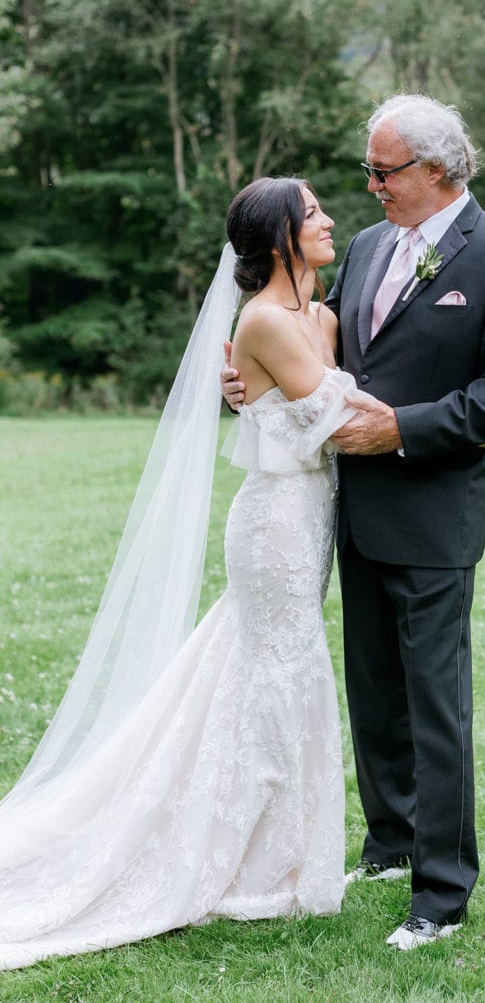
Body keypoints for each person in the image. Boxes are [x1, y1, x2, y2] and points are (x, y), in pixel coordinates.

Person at [0, 176, 364, 970]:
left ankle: (283, 844)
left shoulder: (322, 315)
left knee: (272, 666)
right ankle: (262, 860)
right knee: (275, 670)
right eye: (312, 213)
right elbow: (334, 419)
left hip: (313, 522)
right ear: (279, 237)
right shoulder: (262, 321)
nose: (330, 218)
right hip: (272, 523)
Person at [221, 93, 485, 950]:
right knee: (373, 693)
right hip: (350, 512)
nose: (368, 186)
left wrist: (405, 429)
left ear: (436, 170)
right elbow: (316, 362)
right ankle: (390, 842)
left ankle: (440, 896)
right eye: (366, 170)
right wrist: (249, 391)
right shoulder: (365, 250)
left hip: (436, 512)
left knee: (435, 704)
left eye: (382, 170)